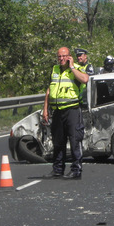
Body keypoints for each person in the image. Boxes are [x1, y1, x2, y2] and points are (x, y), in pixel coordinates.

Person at [42, 47, 89, 180]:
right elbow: (49, 90)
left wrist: (72, 67)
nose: (61, 59)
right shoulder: (55, 70)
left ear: (69, 56)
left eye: (64, 56)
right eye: (59, 57)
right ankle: (57, 169)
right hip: (57, 110)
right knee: (58, 141)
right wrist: (45, 109)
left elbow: (85, 79)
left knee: (75, 140)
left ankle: (76, 170)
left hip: (72, 110)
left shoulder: (77, 68)